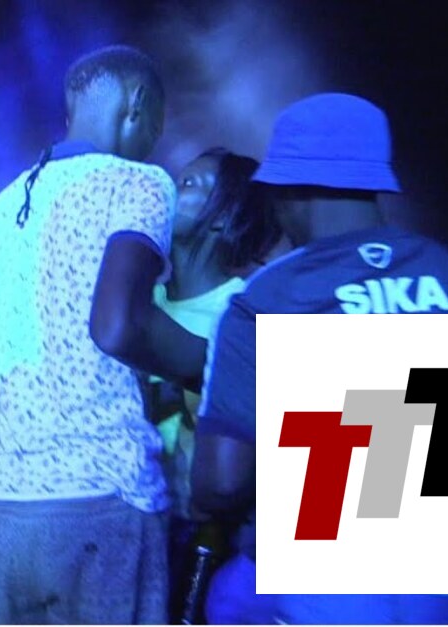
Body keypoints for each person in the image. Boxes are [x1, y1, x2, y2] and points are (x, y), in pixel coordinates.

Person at [191, 93, 448, 624]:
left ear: (289, 191)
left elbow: (221, 484)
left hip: (330, 597)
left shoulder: (269, 299)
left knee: (228, 598)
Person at [0, 45, 185, 624]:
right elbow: (120, 326)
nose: (154, 140)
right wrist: (222, 360)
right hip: (104, 495)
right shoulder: (138, 184)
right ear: (136, 103)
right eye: (156, 123)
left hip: (6, 502)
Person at [143, 148, 280, 622]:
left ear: (223, 217)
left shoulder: (241, 310)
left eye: (189, 184)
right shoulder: (140, 302)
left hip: (206, 531)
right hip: (141, 515)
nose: (168, 190)